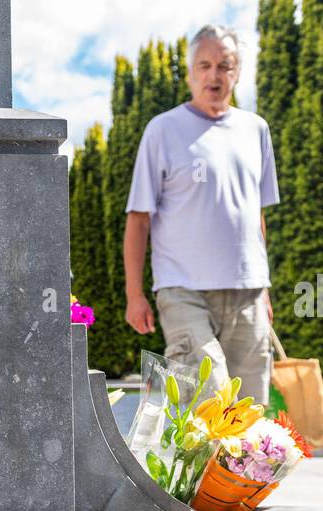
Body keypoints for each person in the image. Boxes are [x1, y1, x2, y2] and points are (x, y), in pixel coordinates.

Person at [124, 24, 279, 404]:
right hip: (183, 291)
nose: (215, 75)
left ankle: (234, 469)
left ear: (237, 73)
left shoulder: (256, 130)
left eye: (225, 66)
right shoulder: (162, 130)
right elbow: (139, 218)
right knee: (209, 403)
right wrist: (134, 294)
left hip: (248, 293)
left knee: (249, 418)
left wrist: (264, 289)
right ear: (191, 72)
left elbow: (254, 214)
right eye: (205, 65)